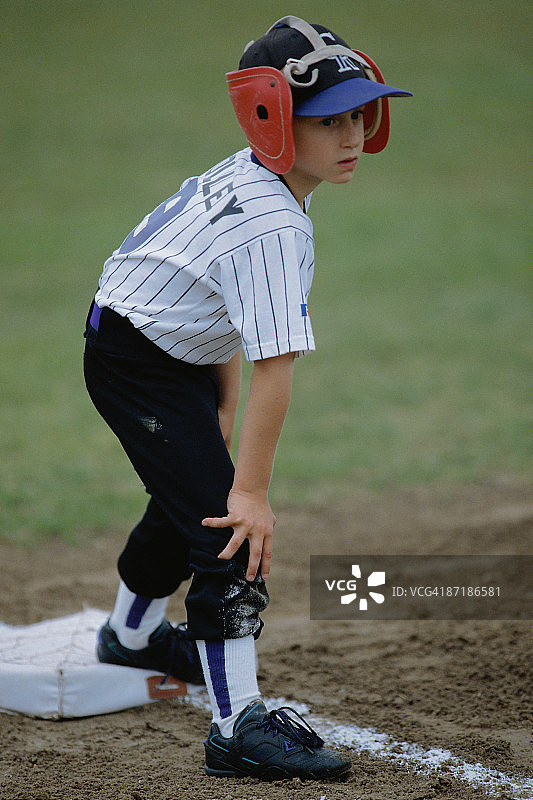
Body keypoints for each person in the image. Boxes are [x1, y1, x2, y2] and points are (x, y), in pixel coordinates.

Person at [83, 15, 411, 781]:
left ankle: (129, 638)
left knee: (191, 499)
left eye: (359, 113)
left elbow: (220, 309)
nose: (353, 133)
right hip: (138, 360)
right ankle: (235, 730)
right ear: (272, 119)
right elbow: (276, 365)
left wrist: (215, 399)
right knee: (229, 531)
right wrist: (252, 491)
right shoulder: (273, 224)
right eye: (329, 120)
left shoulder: (260, 178)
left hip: (156, 342)